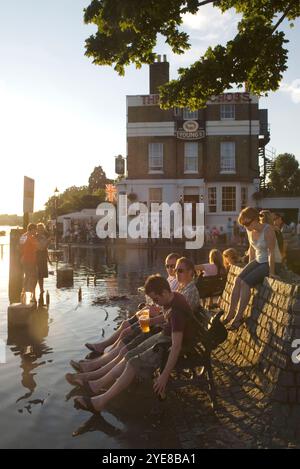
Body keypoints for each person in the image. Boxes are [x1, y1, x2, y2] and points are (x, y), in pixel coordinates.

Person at [73, 275, 195, 413]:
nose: (156, 303)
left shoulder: (177, 313)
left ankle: (100, 402)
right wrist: (150, 322)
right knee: (130, 354)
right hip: (163, 337)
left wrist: (164, 376)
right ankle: (96, 384)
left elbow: (177, 346)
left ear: (165, 292)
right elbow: (167, 317)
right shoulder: (174, 298)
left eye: (156, 299)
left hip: (166, 345)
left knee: (133, 363)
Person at [84, 253, 180, 355]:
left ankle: (110, 352)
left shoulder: (178, 282)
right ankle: (106, 347)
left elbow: (168, 306)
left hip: (156, 318)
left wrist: (155, 311)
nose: (170, 269)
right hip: (153, 312)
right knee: (125, 324)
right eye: (167, 266)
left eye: (173, 266)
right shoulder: (170, 279)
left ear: (177, 267)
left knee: (127, 331)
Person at [223, 207, 282, 330]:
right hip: (259, 260)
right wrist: (249, 268)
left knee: (245, 283)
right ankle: (230, 313)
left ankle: (238, 318)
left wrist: (271, 272)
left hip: (271, 262)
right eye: (243, 224)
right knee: (238, 280)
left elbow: (271, 253)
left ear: (255, 219)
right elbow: (251, 250)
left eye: (247, 223)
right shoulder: (250, 231)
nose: (245, 227)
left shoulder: (268, 230)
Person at [20, 223, 38, 303]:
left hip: (24, 259)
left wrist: (22, 255)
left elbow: (20, 246)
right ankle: (33, 295)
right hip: (31, 259)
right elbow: (38, 246)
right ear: (32, 229)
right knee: (34, 276)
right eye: (35, 229)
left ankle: (23, 293)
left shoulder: (23, 236)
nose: (36, 231)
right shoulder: (31, 237)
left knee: (26, 276)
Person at [36, 223, 51, 302]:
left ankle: (41, 289)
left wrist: (48, 259)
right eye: (39, 228)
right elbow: (41, 248)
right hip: (37, 257)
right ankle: (34, 290)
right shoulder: (35, 237)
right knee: (37, 274)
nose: (40, 230)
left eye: (42, 229)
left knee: (41, 275)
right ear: (37, 229)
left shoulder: (44, 236)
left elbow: (45, 249)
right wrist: (47, 242)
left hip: (43, 257)